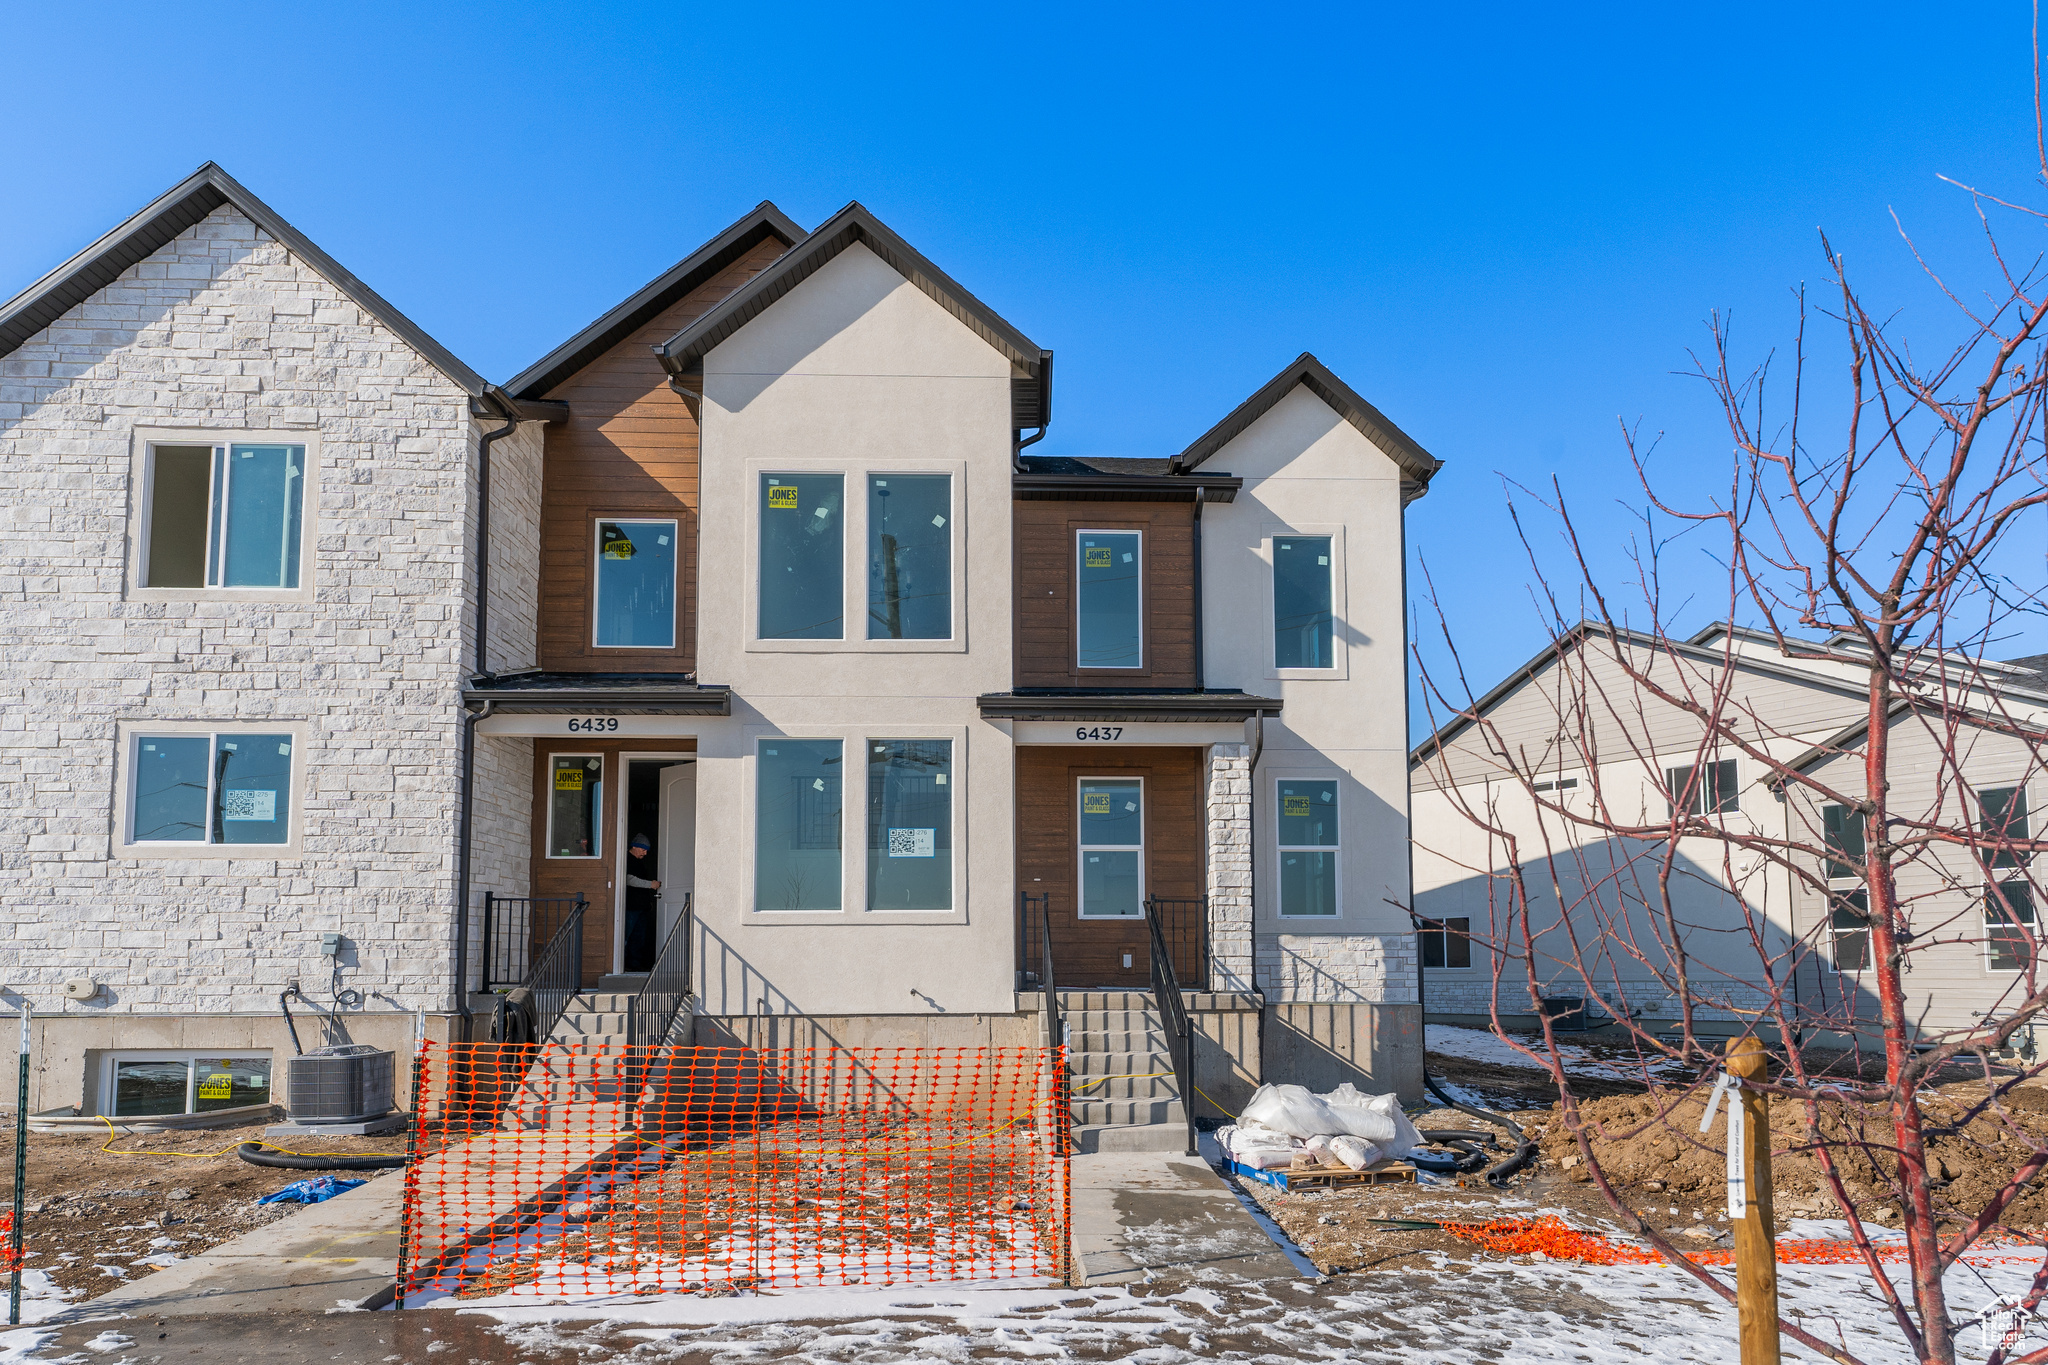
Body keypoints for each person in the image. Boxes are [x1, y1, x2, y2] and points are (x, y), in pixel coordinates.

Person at [624, 833, 659, 970]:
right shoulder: (626, 860)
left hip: (641, 908)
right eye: (642, 849)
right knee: (628, 936)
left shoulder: (639, 862)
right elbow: (628, 879)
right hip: (631, 907)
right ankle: (624, 966)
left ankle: (634, 966)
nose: (645, 853)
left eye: (646, 850)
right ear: (634, 846)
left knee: (639, 939)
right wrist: (650, 884)